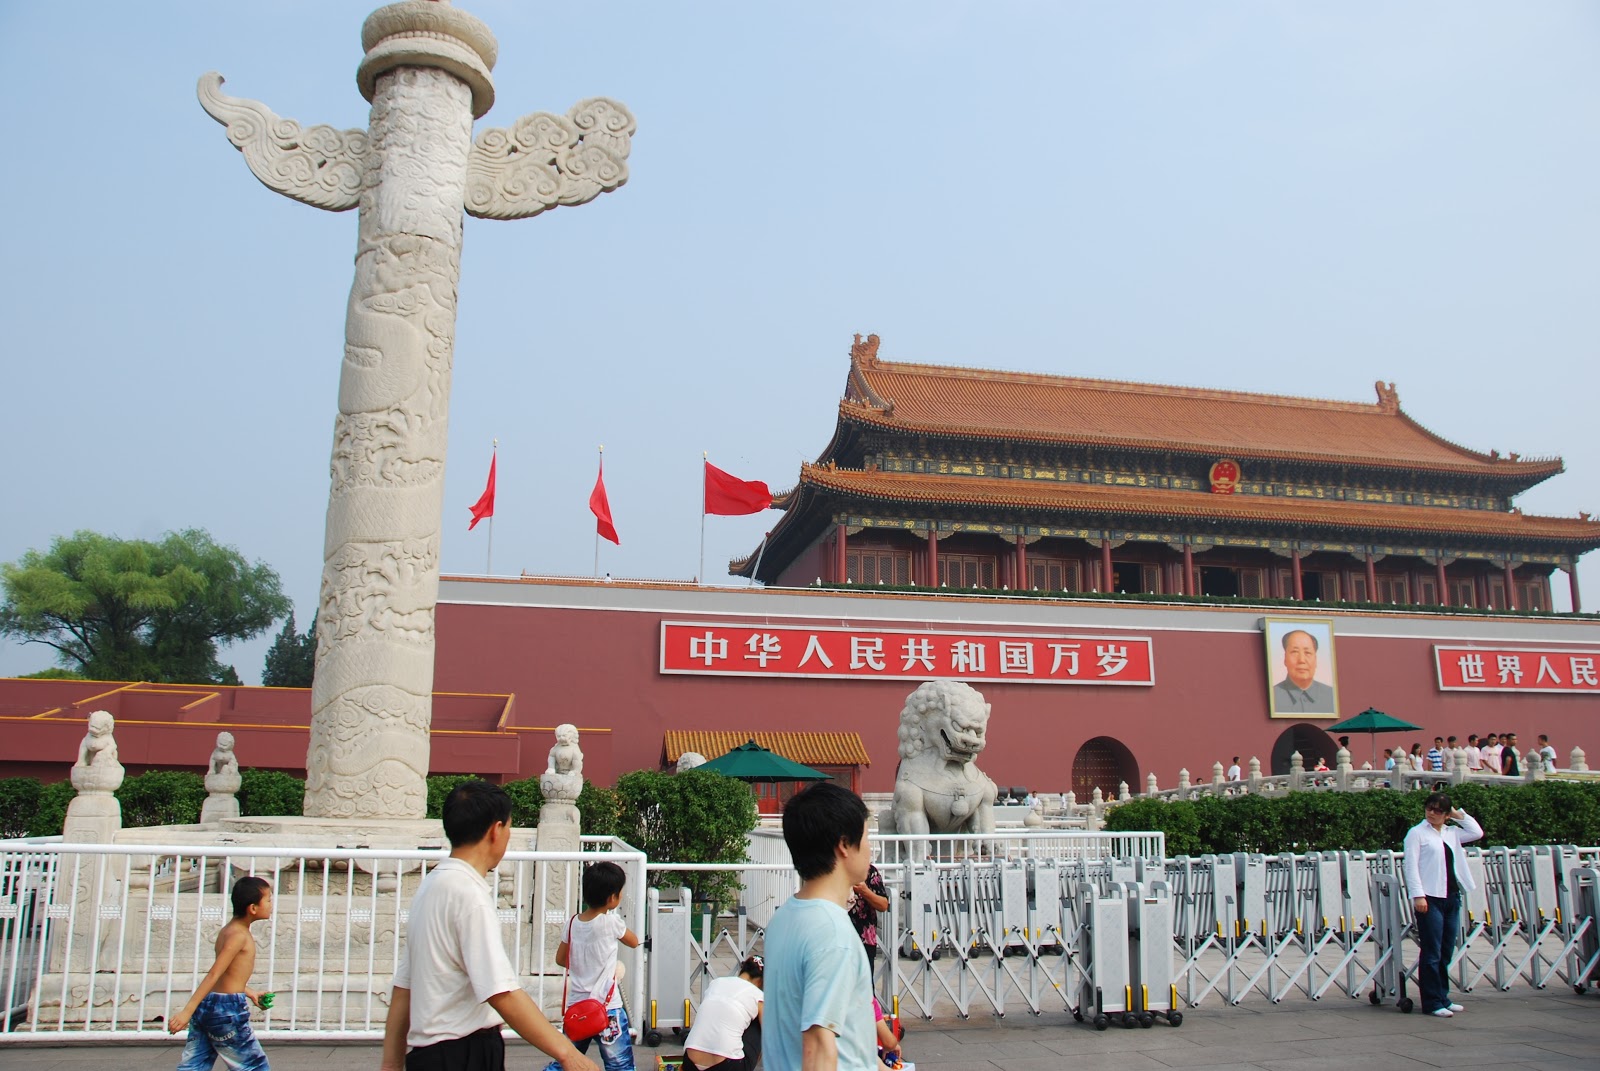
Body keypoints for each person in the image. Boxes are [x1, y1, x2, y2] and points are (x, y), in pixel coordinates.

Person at [381, 781, 596, 1071]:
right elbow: (502, 992)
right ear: (496, 831)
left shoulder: (431, 885)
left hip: (427, 1055)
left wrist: (391, 1063)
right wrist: (568, 1054)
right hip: (462, 1052)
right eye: (508, 828)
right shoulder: (469, 895)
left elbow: (403, 988)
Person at [763, 782, 875, 1071]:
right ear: (843, 845)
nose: (870, 848)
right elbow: (818, 1046)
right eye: (865, 837)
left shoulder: (784, 918)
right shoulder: (833, 933)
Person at [169, 875, 274, 1071]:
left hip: (210, 1006)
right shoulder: (239, 936)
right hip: (226, 1011)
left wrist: (250, 992)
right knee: (254, 1066)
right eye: (268, 900)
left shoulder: (228, 930)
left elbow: (227, 976)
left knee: (194, 1065)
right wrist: (186, 1011)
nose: (271, 905)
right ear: (253, 908)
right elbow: (214, 974)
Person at [546, 861, 642, 1071]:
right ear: (611, 898)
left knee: (566, 1061)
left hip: (578, 1008)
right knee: (620, 1065)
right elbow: (634, 942)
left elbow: (561, 959)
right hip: (608, 1010)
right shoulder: (611, 923)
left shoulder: (572, 923)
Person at [1402, 791, 1483, 1018]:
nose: (1432, 813)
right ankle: (1431, 1001)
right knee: (1432, 950)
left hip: (1451, 895)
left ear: (1446, 815)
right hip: (1430, 897)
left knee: (1446, 949)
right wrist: (1418, 895)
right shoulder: (1416, 833)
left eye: (1438, 810)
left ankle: (1442, 997)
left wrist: (1457, 814)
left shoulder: (1451, 833)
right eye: (1429, 808)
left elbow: (1476, 832)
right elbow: (1411, 866)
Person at [681, 957, 764, 1071]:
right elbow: (770, 1035)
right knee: (760, 1022)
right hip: (727, 1066)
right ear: (761, 981)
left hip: (689, 1062)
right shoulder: (758, 995)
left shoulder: (716, 983)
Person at [1271, 629, 1336, 714]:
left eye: (1307, 653)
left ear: (1315, 659)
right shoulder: (1273, 696)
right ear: (1285, 659)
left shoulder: (1331, 696)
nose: (1301, 660)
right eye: (1295, 652)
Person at [847, 863, 890, 978]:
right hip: (835, 941)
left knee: (864, 988)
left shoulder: (869, 871)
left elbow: (883, 905)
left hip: (864, 940)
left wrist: (864, 891)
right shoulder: (830, 869)